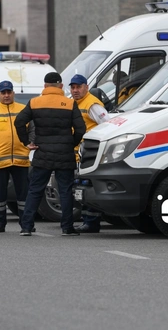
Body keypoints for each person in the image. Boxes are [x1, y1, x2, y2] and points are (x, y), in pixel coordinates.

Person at [14, 72, 86, 236]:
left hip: (42, 152)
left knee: (35, 190)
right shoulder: (69, 103)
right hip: (65, 154)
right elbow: (81, 128)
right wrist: (71, 143)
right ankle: (67, 227)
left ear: (45, 86)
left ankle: (26, 226)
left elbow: (19, 122)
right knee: (65, 190)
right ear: (61, 86)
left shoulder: (34, 102)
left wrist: (26, 142)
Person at [0, 80, 32, 232]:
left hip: (21, 158)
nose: (6, 95)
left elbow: (32, 128)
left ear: (13, 93)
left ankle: (26, 224)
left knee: (23, 195)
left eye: (9, 92)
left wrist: (29, 144)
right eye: (3, 93)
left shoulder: (23, 109)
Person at [69, 74, 110, 233]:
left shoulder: (92, 104)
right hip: (79, 154)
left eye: (78, 87)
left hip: (90, 154)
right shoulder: (75, 103)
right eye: (73, 87)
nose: (75, 90)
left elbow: (107, 124)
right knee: (81, 187)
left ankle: (92, 222)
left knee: (87, 186)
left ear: (86, 87)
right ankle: (88, 220)